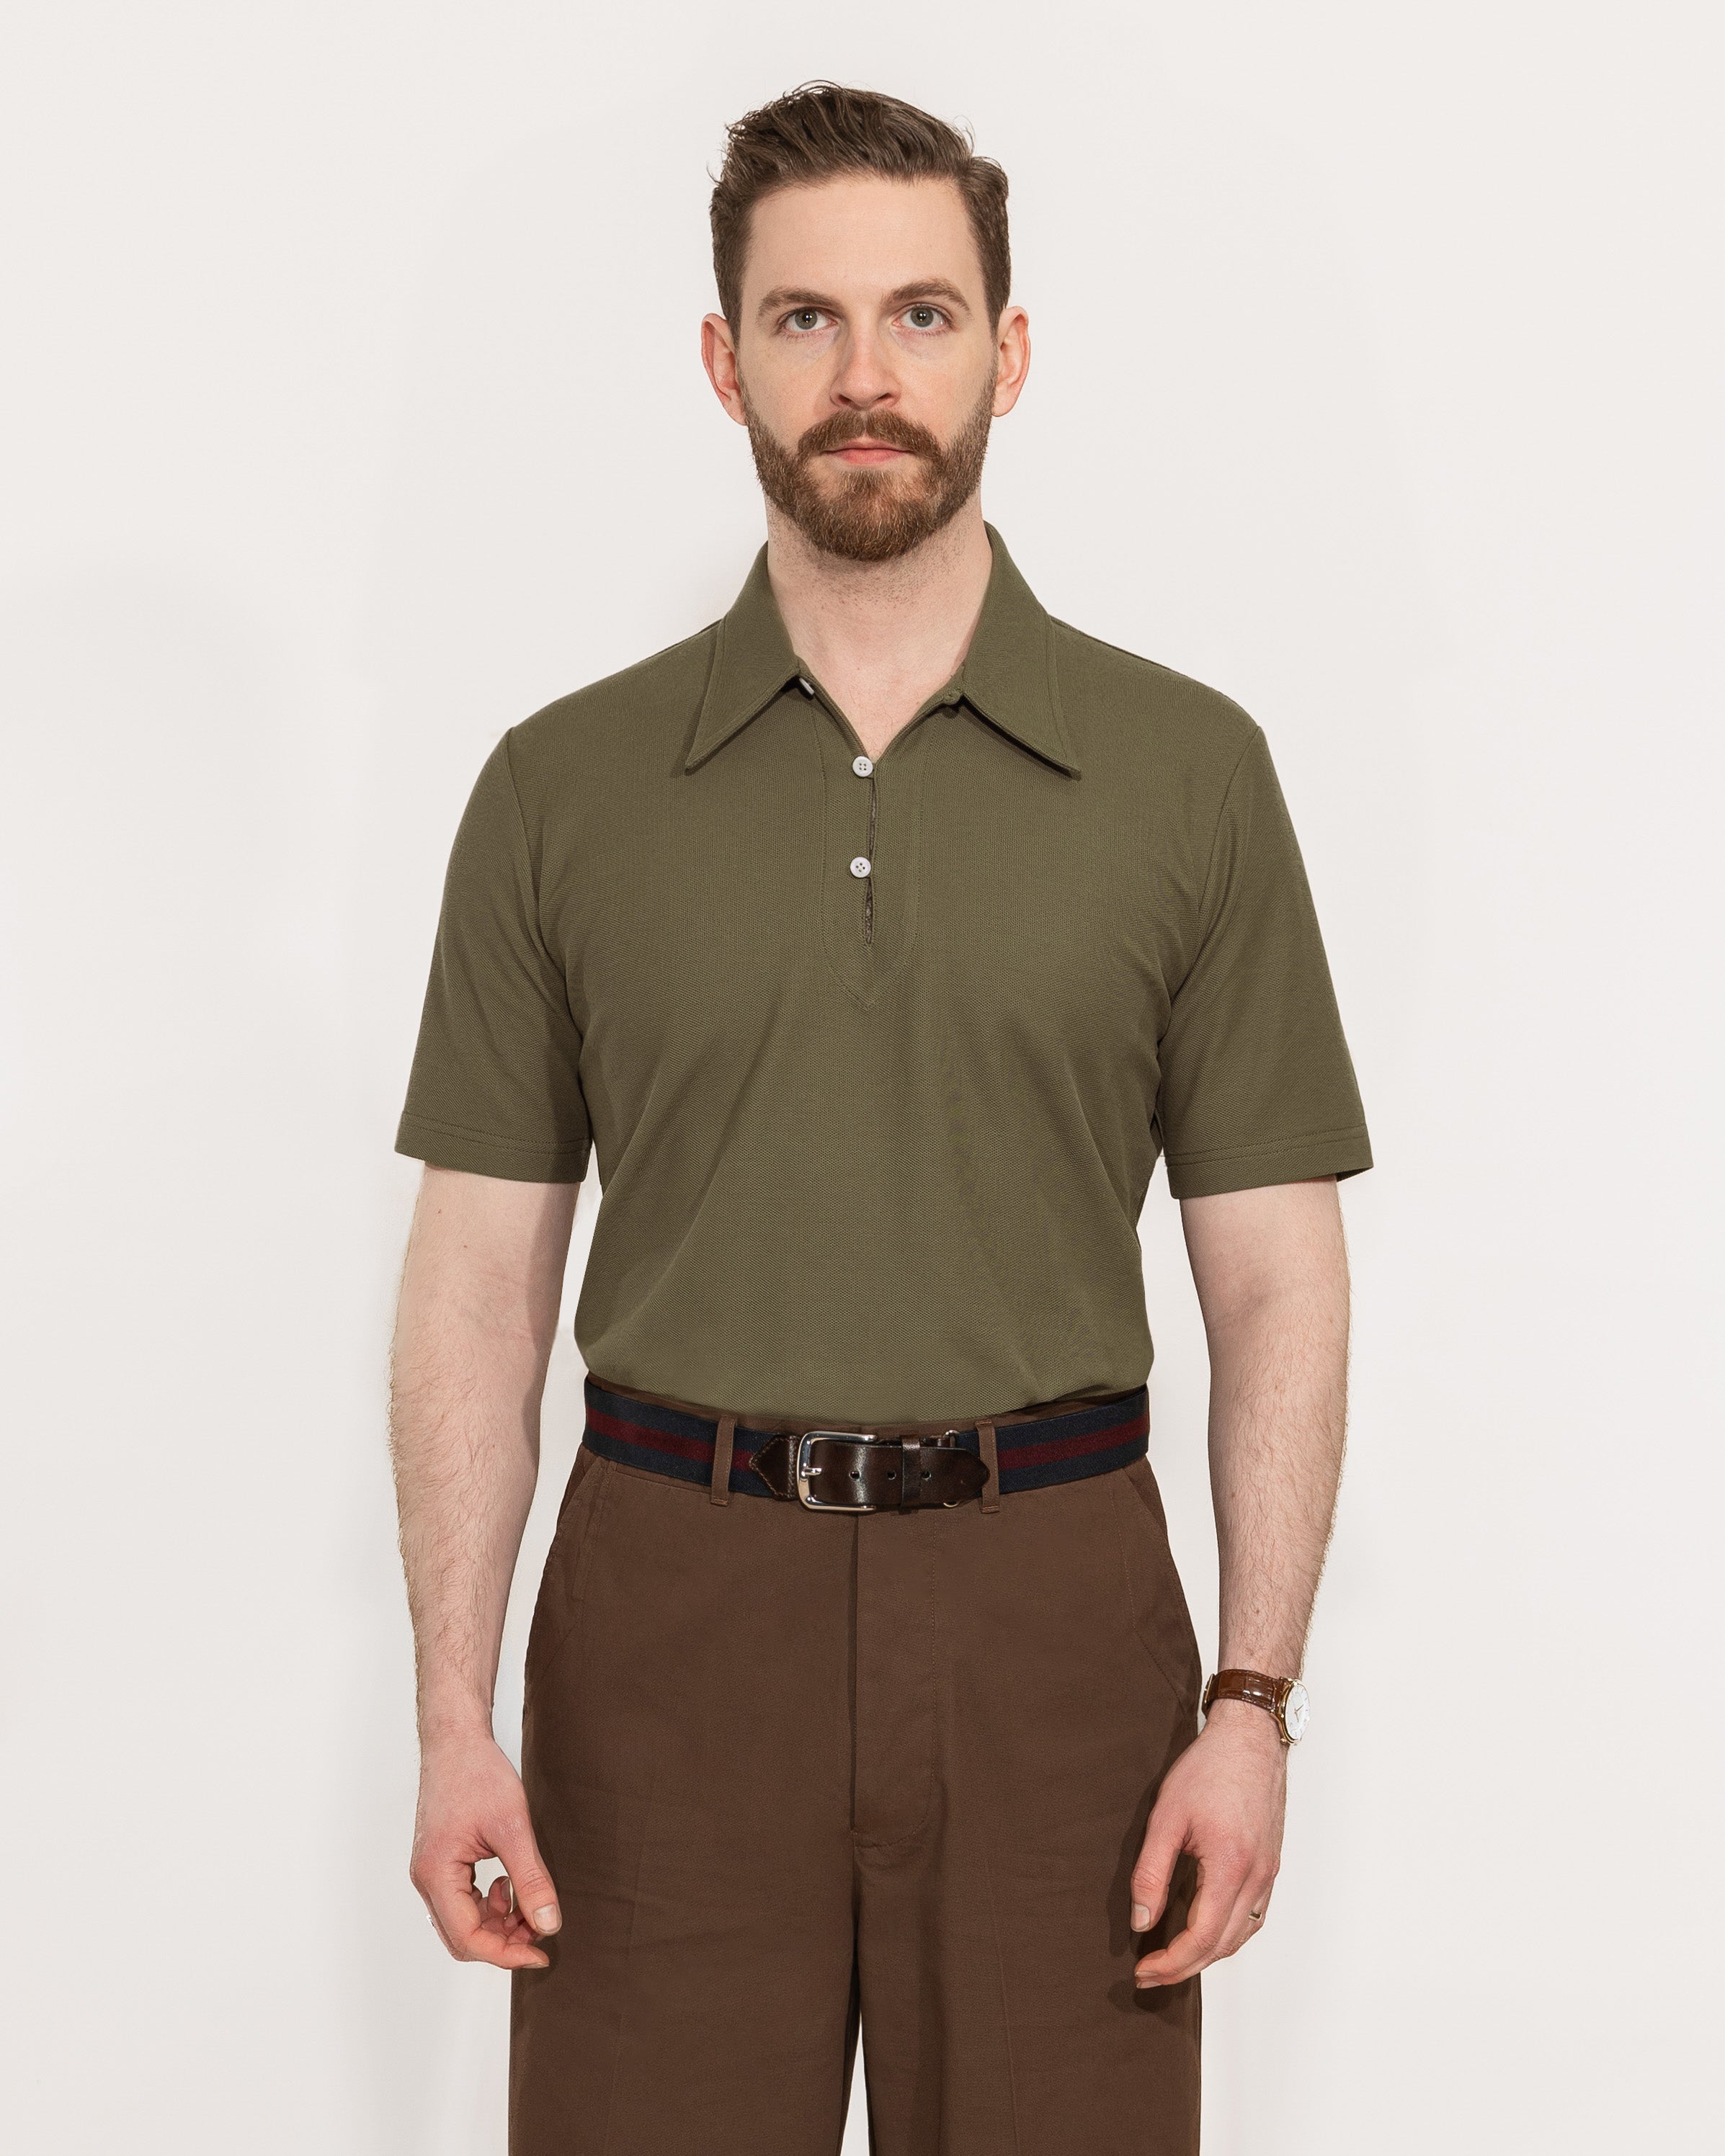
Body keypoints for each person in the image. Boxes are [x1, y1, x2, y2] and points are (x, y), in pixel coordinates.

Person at [388, 81, 1370, 2156]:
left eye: (920, 315)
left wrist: (1253, 1704)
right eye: (805, 318)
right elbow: (477, 1282)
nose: (864, 375)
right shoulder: (560, 790)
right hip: (669, 1628)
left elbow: (1277, 1280)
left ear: (1006, 352)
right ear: (722, 358)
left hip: (1054, 1626)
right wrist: (453, 1713)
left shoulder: (1188, 775)